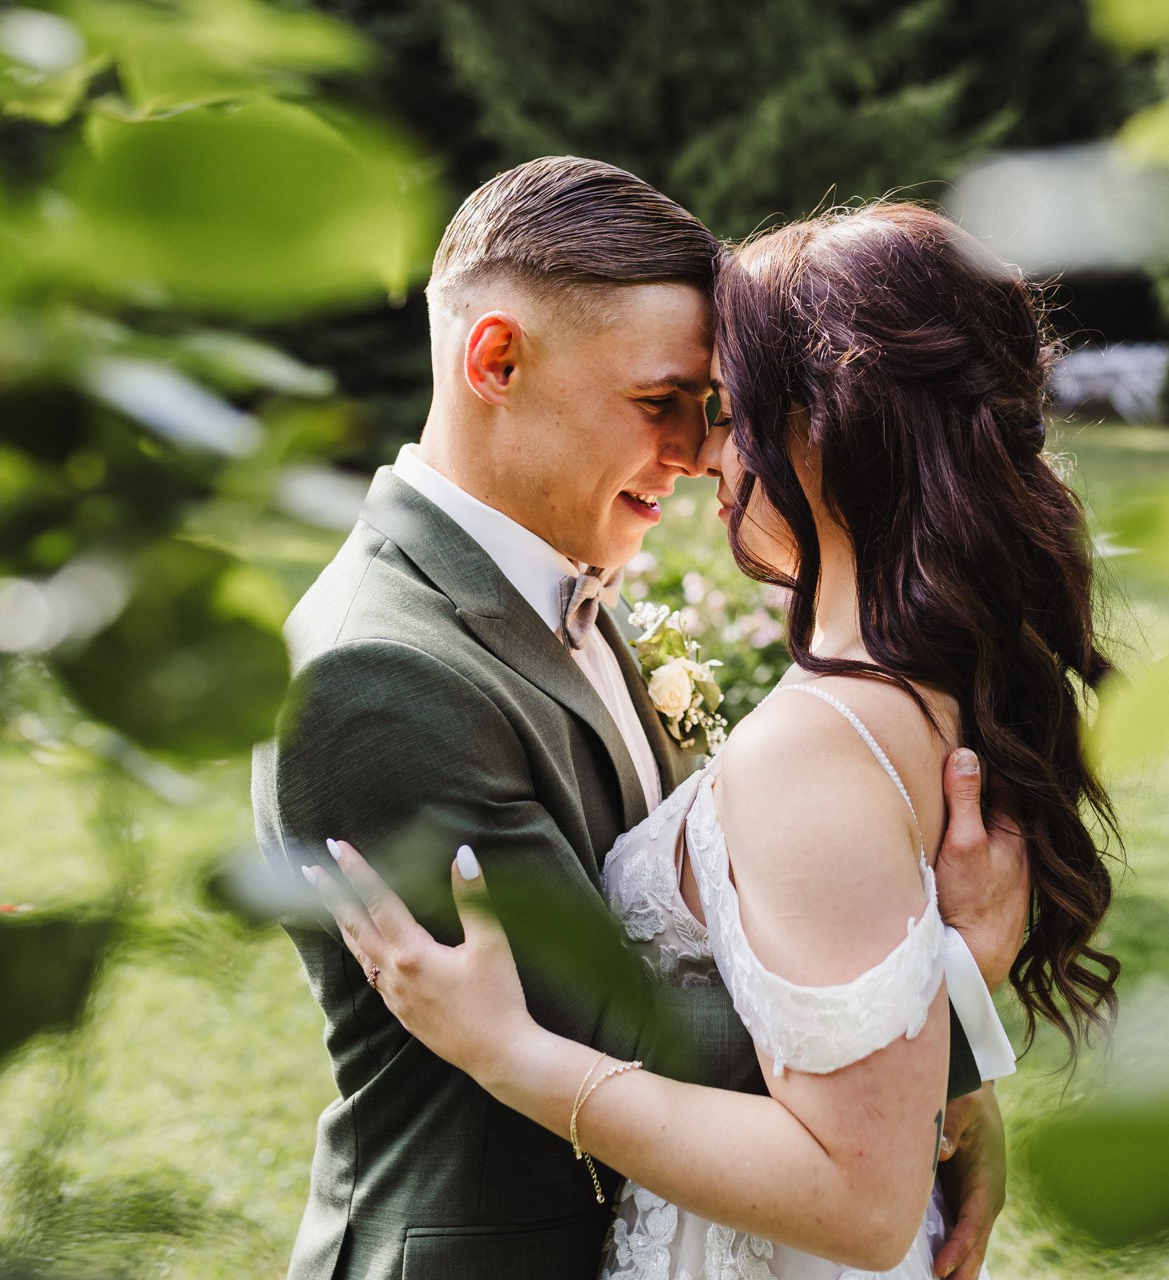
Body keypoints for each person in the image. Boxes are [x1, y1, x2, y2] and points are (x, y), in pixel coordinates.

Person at [304, 201, 1121, 1279]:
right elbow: (627, 1030)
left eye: (721, 407)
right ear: (496, 359)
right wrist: (952, 1000)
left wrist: (933, 1065)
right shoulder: (383, 672)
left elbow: (790, 980)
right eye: (667, 403)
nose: (694, 455)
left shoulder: (606, 601)